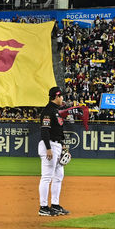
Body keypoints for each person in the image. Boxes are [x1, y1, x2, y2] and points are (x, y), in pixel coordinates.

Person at [38, 86, 69, 216]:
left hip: (57, 145)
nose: (63, 98)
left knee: (58, 176)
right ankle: (43, 207)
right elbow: (44, 130)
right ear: (56, 96)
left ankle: (55, 205)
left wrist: (63, 146)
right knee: (46, 177)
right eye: (61, 96)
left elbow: (59, 131)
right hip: (49, 145)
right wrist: (48, 148)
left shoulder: (56, 111)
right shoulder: (48, 111)